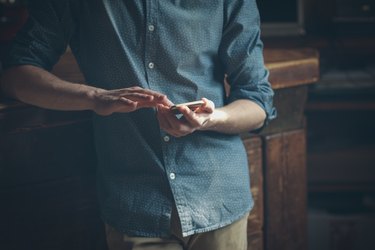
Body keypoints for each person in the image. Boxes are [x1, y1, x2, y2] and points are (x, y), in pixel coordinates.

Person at [1, 0, 276, 249]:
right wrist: (95, 97)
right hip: (134, 206)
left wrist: (210, 119)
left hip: (218, 196)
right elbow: (15, 74)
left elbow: (257, 102)